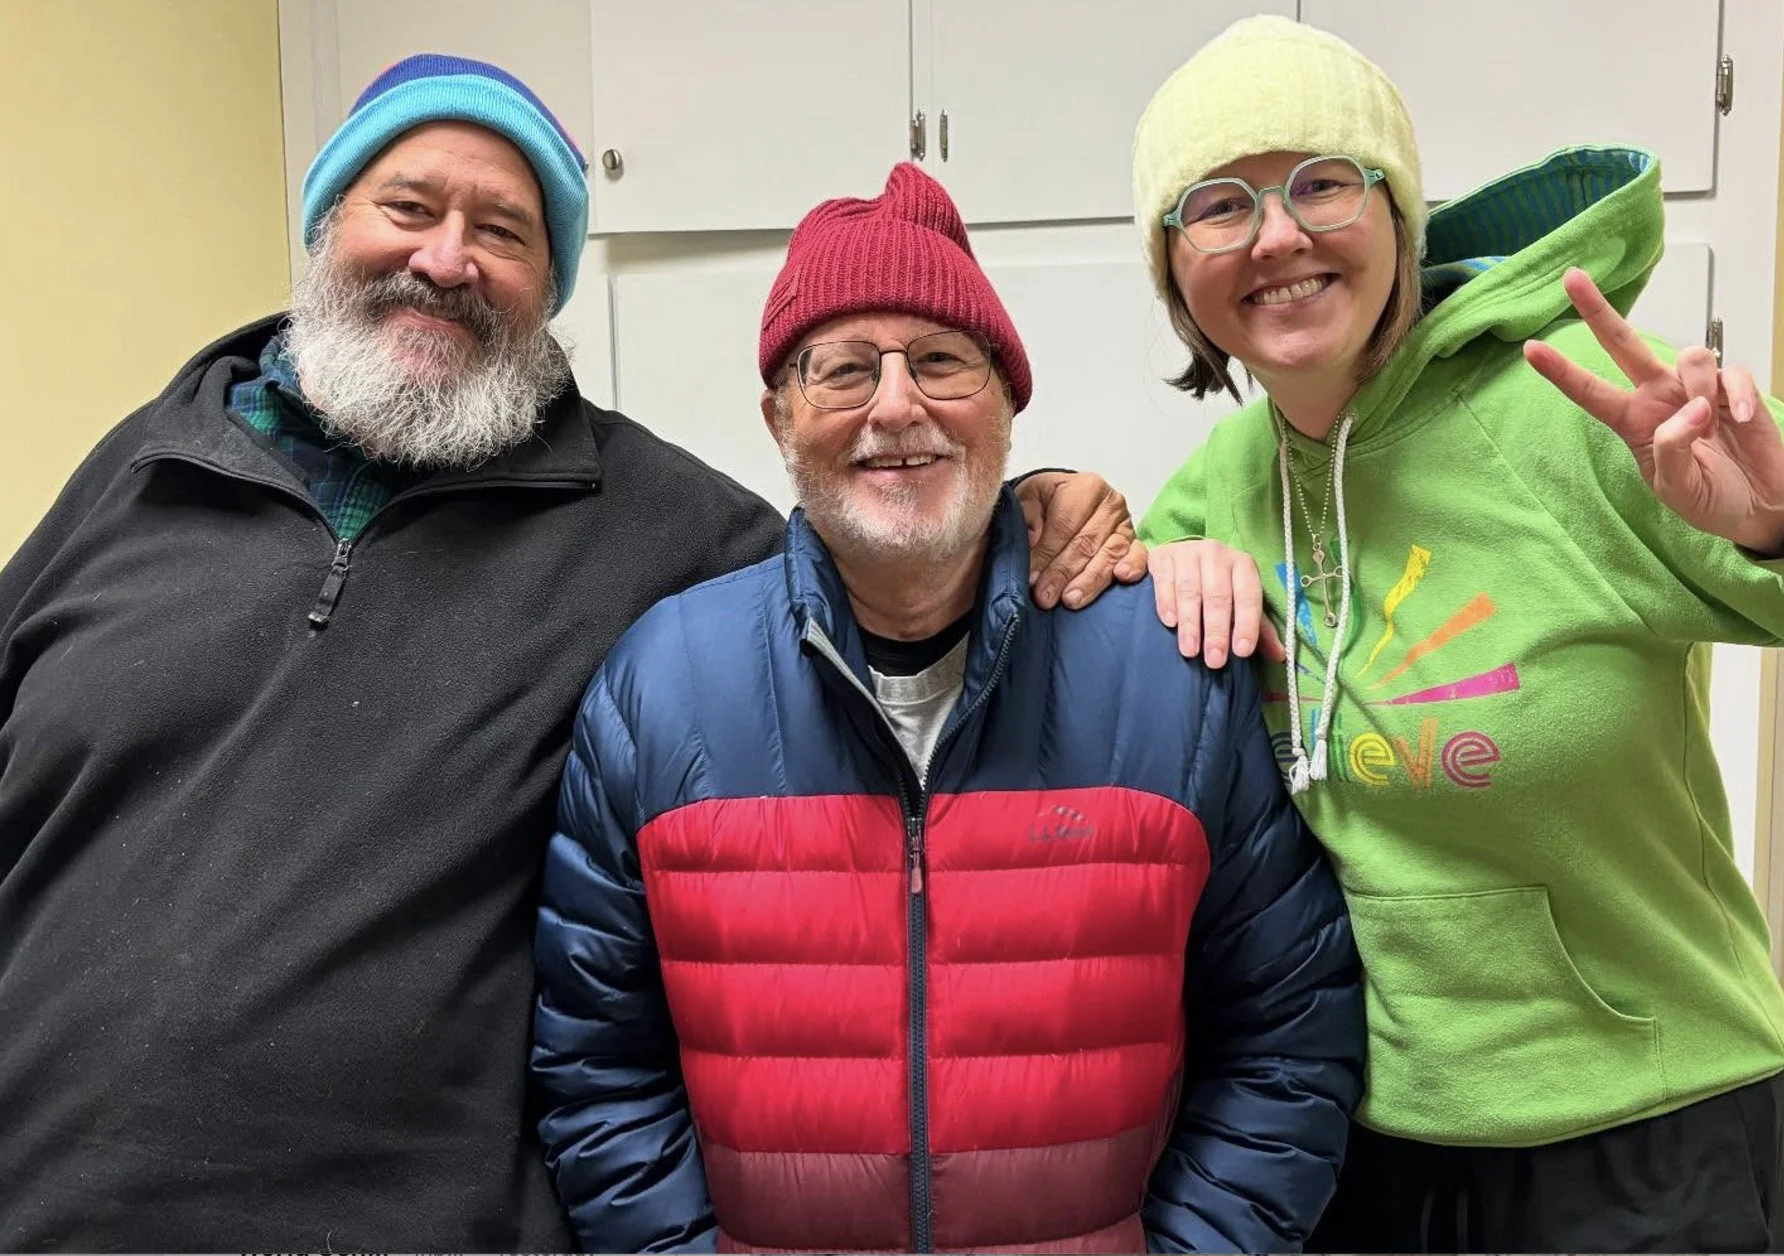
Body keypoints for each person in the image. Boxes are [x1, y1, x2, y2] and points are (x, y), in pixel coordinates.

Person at [0, 54, 1139, 1250]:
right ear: (327, 223)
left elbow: (881, 567)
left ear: (548, 286)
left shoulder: (665, 532)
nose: (446, 258)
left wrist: (1031, 510)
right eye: (407, 206)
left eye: (502, 230)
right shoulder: (148, 467)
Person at [530, 161, 1365, 1254]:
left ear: (1009, 403)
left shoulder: (1170, 675)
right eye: (842, 369)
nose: (896, 405)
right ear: (779, 418)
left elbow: (1286, 1038)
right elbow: (599, 1069)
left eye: (940, 360)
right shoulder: (659, 688)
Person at [1130, 14, 1784, 1252]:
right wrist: (1062, 502)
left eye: (1322, 182)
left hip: (1644, 1125)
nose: (1275, 235)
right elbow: (1065, 595)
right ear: (1174, 270)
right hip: (1364, 1139)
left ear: (1397, 212)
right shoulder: (1216, 483)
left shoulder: (1572, 409)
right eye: (1217, 205)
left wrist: (1768, 524)